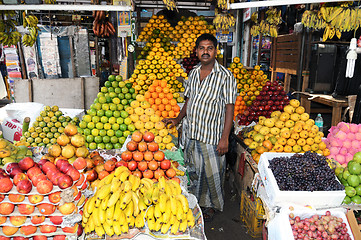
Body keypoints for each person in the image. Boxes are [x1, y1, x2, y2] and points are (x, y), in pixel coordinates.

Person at [162, 33, 237, 222]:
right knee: (195, 171)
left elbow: (230, 108)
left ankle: (212, 206)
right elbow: (189, 99)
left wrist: (225, 137)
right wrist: (178, 119)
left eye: (209, 48)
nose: (205, 52)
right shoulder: (194, 73)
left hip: (212, 135)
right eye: (202, 48)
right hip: (192, 133)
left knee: (213, 173)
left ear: (216, 51)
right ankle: (196, 203)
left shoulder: (226, 77)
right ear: (196, 51)